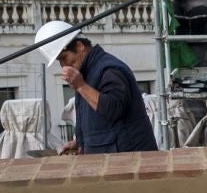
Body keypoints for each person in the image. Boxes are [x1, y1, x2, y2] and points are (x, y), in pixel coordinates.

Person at [34, 20, 158, 154]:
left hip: (129, 161)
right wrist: (80, 142)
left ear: (80, 46)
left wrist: (81, 86)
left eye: (64, 58)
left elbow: (113, 109)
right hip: (116, 159)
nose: (64, 65)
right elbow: (97, 120)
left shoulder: (109, 69)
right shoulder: (87, 72)